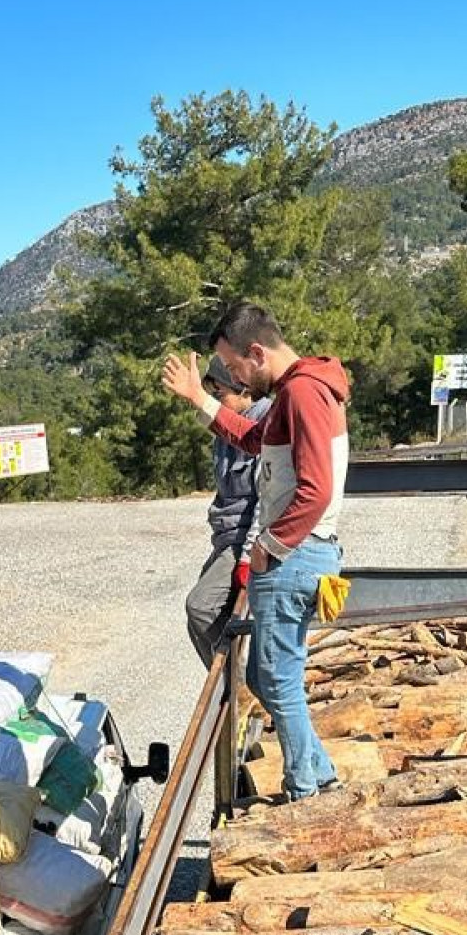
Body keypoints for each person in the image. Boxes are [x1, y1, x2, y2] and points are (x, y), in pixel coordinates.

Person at [163, 302, 350, 799]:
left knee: (275, 678)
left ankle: (304, 790)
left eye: (233, 366)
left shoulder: (305, 394)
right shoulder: (298, 392)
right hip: (299, 555)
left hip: (296, 557)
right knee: (269, 678)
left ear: (255, 352)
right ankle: (321, 774)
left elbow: (317, 489)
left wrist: (267, 547)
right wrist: (201, 400)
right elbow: (250, 438)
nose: (233, 376)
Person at [184, 353, 271, 665]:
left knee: (201, 606)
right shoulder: (229, 427)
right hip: (226, 536)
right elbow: (212, 419)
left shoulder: (265, 422)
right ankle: (233, 682)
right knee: (207, 616)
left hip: (242, 538)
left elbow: (267, 500)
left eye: (219, 394)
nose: (215, 402)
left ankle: (236, 682)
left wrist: (247, 557)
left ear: (245, 388)